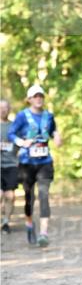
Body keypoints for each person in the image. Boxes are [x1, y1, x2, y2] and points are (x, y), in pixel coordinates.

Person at [11, 84, 62, 246]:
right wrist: (21, 142)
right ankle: (29, 225)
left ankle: (43, 234)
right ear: (29, 99)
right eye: (35, 96)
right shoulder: (22, 116)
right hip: (27, 163)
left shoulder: (49, 116)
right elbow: (12, 133)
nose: (39, 99)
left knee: (44, 195)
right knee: (29, 199)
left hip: (45, 162)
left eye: (41, 96)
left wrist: (57, 136)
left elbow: (53, 131)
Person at [1, 98, 19, 233]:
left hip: (12, 165)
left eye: (5, 107)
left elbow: (21, 144)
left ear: (9, 109)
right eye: (0, 108)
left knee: (10, 196)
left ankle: (6, 222)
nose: (3, 110)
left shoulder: (14, 127)